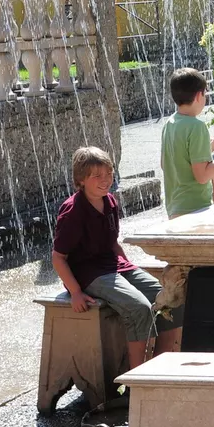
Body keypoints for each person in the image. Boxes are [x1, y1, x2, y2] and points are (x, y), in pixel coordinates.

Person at [52, 146, 179, 370]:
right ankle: (138, 378)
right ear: (81, 179)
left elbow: (112, 242)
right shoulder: (72, 211)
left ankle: (162, 367)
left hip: (113, 266)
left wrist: (129, 267)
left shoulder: (109, 202)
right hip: (88, 274)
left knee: (171, 298)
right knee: (139, 306)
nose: (106, 179)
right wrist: (75, 292)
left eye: (109, 173)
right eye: (97, 176)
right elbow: (58, 257)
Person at [161, 67, 214, 218]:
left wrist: (204, 151)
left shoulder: (169, 124)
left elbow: (166, 164)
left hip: (174, 207)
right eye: (205, 94)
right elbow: (203, 176)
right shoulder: (196, 126)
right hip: (195, 209)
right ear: (198, 96)